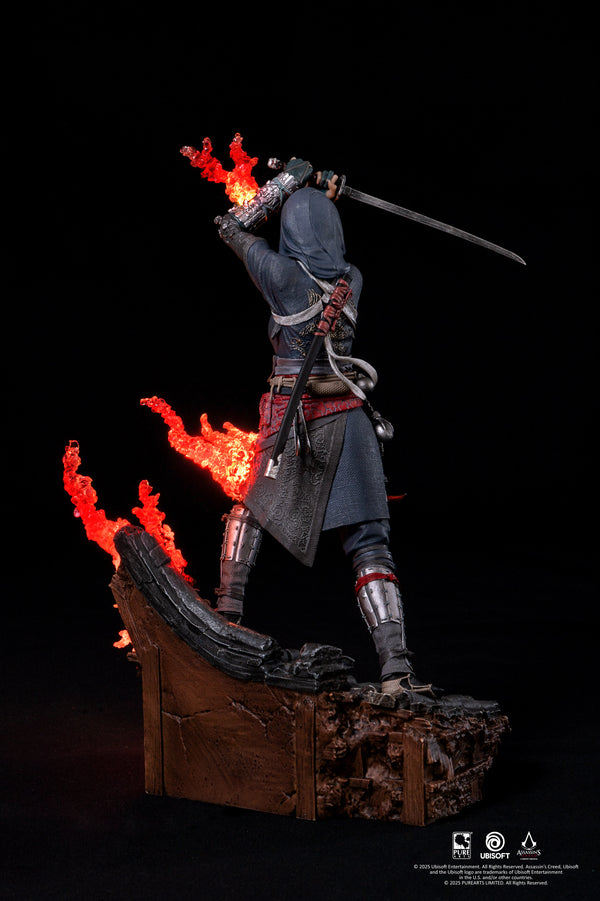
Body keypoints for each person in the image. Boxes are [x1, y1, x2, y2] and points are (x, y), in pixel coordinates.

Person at [213, 159, 432, 698]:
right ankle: (396, 668)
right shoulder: (352, 279)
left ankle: (227, 615)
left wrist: (288, 183)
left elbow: (230, 225)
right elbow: (319, 244)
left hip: (299, 422)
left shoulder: (283, 277)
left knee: (248, 512)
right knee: (370, 548)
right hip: (351, 422)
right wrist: (322, 201)